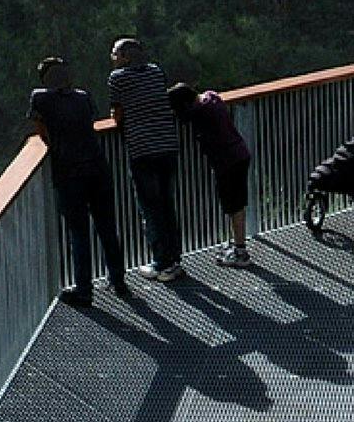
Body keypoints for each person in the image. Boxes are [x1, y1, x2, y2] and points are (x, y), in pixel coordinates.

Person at [26, 57, 128, 308]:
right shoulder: (83, 97)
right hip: (97, 167)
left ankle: (84, 291)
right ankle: (118, 281)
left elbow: (42, 131)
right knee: (107, 227)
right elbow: (88, 124)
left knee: (79, 233)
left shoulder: (40, 98)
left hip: (69, 173)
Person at [108, 37, 184, 281]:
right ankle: (175, 259)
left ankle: (162, 263)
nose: (112, 58)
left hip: (143, 150)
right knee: (167, 203)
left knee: (150, 207)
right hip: (167, 146)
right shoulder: (155, 71)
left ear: (125, 57)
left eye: (114, 53)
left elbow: (118, 115)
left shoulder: (117, 78)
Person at [168, 81, 253, 267]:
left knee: (234, 205)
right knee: (236, 203)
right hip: (239, 153)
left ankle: (241, 251)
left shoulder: (199, 113)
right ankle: (238, 244)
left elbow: (185, 118)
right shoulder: (212, 97)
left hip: (227, 161)